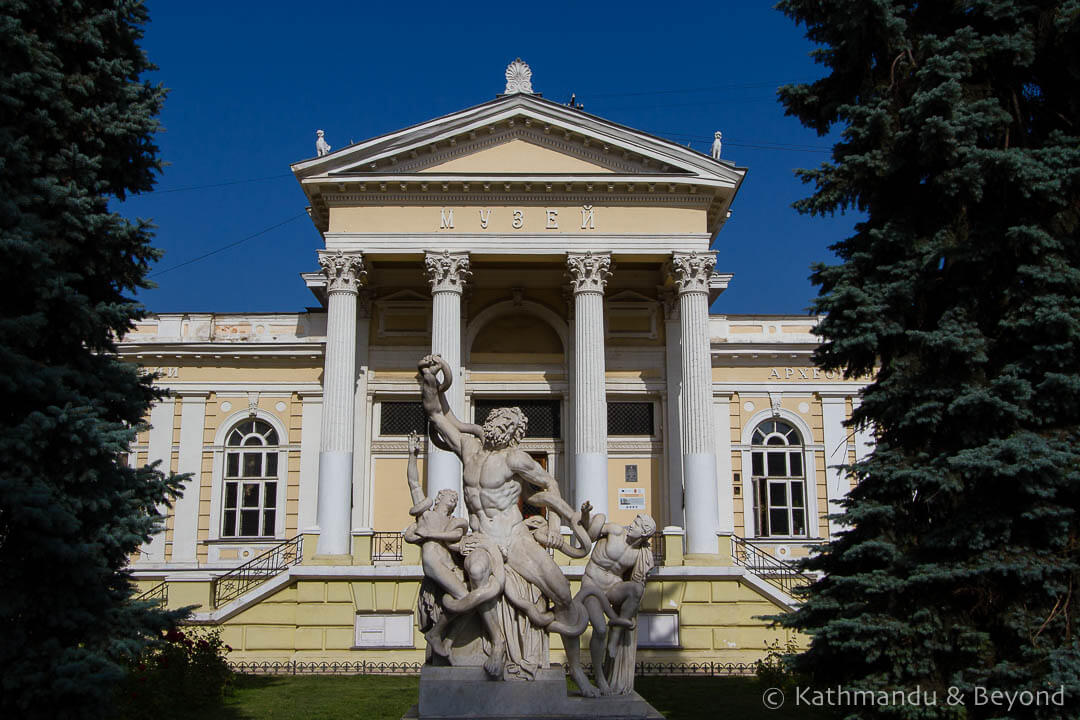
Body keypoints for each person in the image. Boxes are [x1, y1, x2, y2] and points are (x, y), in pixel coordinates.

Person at [417, 354, 594, 688]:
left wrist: (556, 526)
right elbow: (436, 413)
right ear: (491, 420)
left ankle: (580, 673)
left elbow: (549, 485)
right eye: (498, 420)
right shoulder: (469, 448)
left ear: (515, 433)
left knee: (563, 592)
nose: (501, 426)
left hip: (514, 538)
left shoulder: (515, 458)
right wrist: (429, 378)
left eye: (508, 425)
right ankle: (497, 644)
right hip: (481, 539)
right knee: (478, 571)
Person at [575, 503, 657, 695]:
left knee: (636, 590)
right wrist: (586, 515)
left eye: (637, 524)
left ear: (644, 533)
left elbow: (637, 580)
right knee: (600, 629)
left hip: (613, 587)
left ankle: (616, 636)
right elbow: (590, 533)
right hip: (592, 585)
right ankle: (599, 677)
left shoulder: (639, 553)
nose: (632, 524)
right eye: (634, 521)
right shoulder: (615, 530)